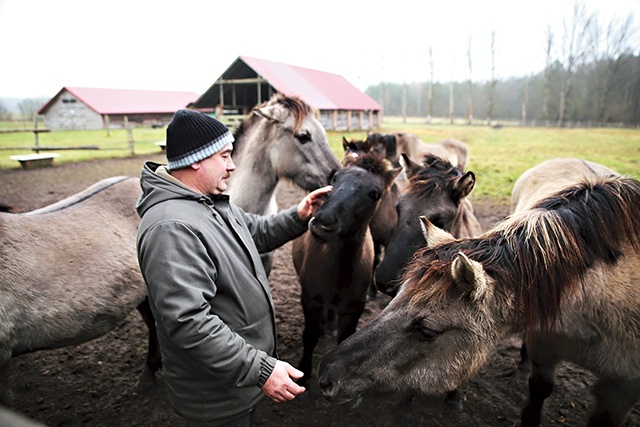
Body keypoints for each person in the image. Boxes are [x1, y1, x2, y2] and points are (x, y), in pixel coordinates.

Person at [135, 109, 332, 427]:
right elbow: (188, 322)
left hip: (236, 380)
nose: (232, 165)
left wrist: (299, 214)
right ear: (197, 160)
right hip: (215, 397)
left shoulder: (208, 202)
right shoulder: (171, 226)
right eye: (225, 156)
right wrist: (262, 369)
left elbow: (257, 231)